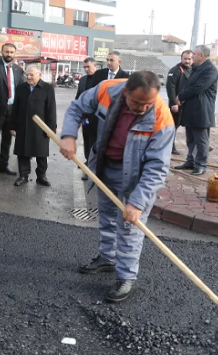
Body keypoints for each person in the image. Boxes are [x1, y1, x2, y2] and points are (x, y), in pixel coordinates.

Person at [59, 70, 174, 303]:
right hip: (106, 166)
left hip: (137, 178)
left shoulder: (162, 118)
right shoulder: (105, 90)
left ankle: (126, 277)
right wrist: (69, 135)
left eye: (148, 103)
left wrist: (137, 202)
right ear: (125, 93)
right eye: (137, 102)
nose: (143, 108)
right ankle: (107, 258)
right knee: (108, 216)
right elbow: (75, 109)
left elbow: (157, 167)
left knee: (130, 227)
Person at [173, 45, 218, 176]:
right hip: (191, 109)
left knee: (201, 140)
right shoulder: (197, 68)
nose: (192, 58)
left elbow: (198, 88)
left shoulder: (210, 70)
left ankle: (201, 165)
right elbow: (188, 85)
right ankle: (190, 161)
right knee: (191, 139)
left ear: (201, 56)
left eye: (195, 55)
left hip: (201, 111)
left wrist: (180, 96)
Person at [9, 65, 56, 187]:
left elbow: (51, 109)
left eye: (31, 75)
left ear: (39, 75)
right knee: (23, 152)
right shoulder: (21, 88)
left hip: (40, 127)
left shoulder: (47, 88)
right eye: (27, 75)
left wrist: (51, 128)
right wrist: (12, 126)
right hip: (23, 125)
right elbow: (15, 108)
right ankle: (23, 175)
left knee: (41, 152)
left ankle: (41, 176)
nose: (28, 77)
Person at [0, 43, 24, 178]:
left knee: (7, 140)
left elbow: (20, 90)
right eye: (7, 52)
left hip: (12, 110)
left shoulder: (18, 69)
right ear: (2, 52)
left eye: (12, 52)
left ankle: (3, 166)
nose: (9, 54)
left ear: (15, 54)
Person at [166, 50, 193, 155]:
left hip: (189, 105)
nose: (187, 61)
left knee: (192, 126)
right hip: (177, 105)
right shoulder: (175, 70)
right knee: (173, 126)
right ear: (181, 59)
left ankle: (198, 146)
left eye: (189, 59)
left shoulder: (194, 70)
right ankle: (170, 146)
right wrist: (173, 103)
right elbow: (170, 88)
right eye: (185, 58)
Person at [76, 57, 98, 180]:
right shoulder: (83, 80)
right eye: (84, 67)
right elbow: (78, 97)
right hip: (86, 116)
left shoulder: (101, 79)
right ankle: (88, 161)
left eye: (88, 67)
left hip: (98, 117)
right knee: (87, 139)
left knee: (96, 142)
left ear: (95, 66)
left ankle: (91, 168)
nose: (86, 69)